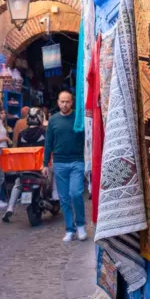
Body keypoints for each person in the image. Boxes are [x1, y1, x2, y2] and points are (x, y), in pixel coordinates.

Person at [42, 91, 87, 242]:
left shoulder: (78, 118)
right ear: (58, 102)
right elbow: (48, 143)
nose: (65, 104)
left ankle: (80, 225)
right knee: (64, 198)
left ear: (72, 103)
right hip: (59, 163)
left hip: (77, 161)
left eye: (67, 101)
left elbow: (87, 138)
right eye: (62, 101)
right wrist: (45, 164)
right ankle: (70, 229)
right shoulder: (53, 120)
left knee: (76, 193)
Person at [2, 109, 52, 223]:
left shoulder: (21, 134)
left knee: (17, 183)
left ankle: (10, 208)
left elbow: (19, 149)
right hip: (40, 167)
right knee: (54, 176)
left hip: (25, 168)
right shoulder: (44, 133)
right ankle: (55, 197)